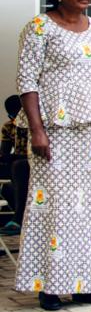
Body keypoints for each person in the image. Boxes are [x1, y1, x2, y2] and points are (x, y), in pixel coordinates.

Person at [15, 0, 91, 311]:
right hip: (54, 130)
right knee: (56, 205)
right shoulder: (39, 27)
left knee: (89, 205)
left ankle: (87, 284)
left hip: (90, 126)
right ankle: (50, 285)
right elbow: (27, 82)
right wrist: (37, 130)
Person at [1, 95, 29, 236]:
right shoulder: (8, 127)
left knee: (19, 166)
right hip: (15, 162)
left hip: (29, 163)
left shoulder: (34, 124)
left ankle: (19, 218)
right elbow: (4, 152)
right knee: (16, 166)